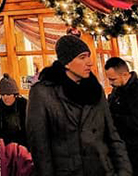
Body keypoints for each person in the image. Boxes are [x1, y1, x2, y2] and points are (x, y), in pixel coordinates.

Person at [25, 34, 131, 176]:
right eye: (82, 57)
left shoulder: (95, 89)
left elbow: (112, 135)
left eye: (88, 56)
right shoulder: (43, 93)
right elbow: (40, 149)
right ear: (66, 63)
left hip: (103, 170)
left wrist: (124, 171)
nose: (89, 62)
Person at [104, 56, 138, 175]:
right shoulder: (118, 90)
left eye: (113, 79)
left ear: (125, 75)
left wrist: (113, 118)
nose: (110, 83)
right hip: (124, 150)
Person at [0, 74, 28, 148]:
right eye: (3, 94)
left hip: (23, 147)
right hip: (5, 148)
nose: (5, 97)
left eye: (8, 94)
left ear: (15, 94)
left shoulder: (24, 106)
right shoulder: (0, 107)